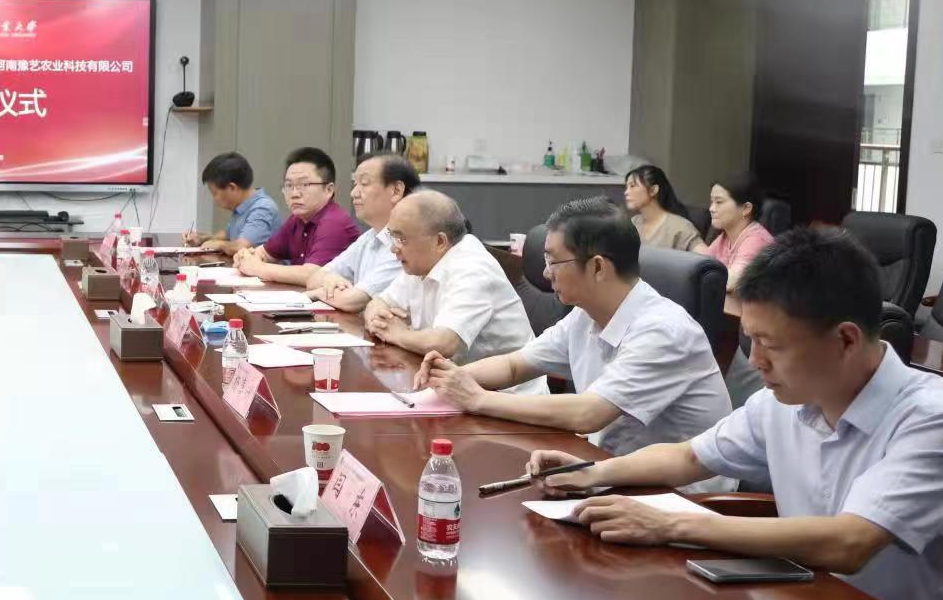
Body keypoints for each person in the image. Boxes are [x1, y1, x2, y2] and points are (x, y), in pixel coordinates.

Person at [528, 228, 943, 600]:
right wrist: (592, 472)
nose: (755, 360)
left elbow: (849, 542)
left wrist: (668, 524)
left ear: (845, 340)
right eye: (751, 340)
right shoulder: (783, 401)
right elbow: (688, 457)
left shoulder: (937, 419)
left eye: (771, 344)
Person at [415, 199, 732, 483]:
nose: (545, 272)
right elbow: (514, 365)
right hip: (608, 471)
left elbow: (589, 413)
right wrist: (452, 376)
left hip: (679, 496)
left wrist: (479, 399)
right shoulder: (585, 315)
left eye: (553, 261)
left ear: (597, 267)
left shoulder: (663, 331)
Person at [365, 190, 541, 390]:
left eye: (401, 239)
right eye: (392, 237)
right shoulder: (420, 261)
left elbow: (443, 343)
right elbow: (377, 302)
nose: (393, 248)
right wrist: (378, 318)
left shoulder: (472, 268)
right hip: (452, 386)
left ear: (439, 241)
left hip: (505, 397)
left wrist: (397, 333)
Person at [303, 152, 417, 312]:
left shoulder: (407, 243)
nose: (354, 193)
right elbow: (314, 278)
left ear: (396, 190)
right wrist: (329, 278)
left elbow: (352, 301)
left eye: (364, 183)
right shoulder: (370, 236)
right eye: (355, 184)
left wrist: (319, 293)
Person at [233, 147, 361, 285]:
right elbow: (263, 254)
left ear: (329, 190)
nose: (294, 194)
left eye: (304, 184)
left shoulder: (334, 223)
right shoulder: (297, 219)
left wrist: (258, 268)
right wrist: (245, 256)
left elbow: (313, 274)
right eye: (289, 185)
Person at [700, 171, 775, 315]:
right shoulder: (724, 237)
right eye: (711, 202)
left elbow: (730, 282)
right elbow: (701, 268)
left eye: (719, 202)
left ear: (746, 208)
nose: (711, 209)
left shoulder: (756, 240)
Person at [183, 152, 281, 254]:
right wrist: (201, 239)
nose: (214, 200)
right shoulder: (241, 207)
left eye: (214, 193)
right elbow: (227, 236)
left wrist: (219, 245)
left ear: (232, 188)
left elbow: (241, 247)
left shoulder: (263, 208)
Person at [625, 164, 704, 251]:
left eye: (632, 186)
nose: (626, 192)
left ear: (653, 190)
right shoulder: (634, 222)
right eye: (626, 187)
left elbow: (707, 258)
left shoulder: (681, 227)